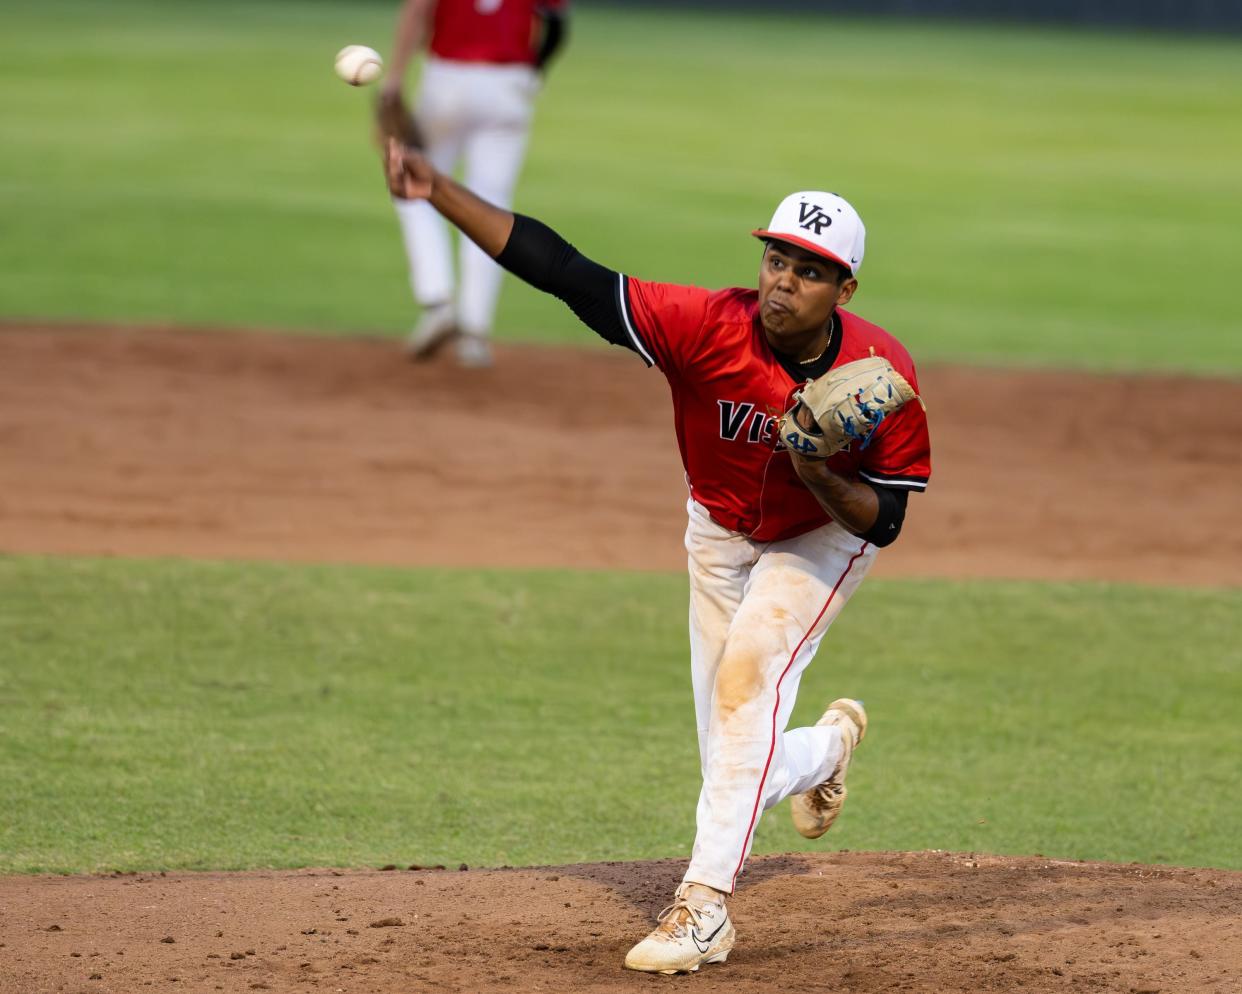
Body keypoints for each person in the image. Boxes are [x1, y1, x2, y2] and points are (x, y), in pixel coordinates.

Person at [383, 139, 932, 973]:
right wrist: (439, 192)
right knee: (730, 758)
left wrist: (817, 467)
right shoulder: (703, 325)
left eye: (810, 270)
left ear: (844, 289)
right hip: (717, 531)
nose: (785, 280)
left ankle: (704, 909)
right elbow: (567, 272)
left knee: (747, 680)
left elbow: (884, 520)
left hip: (822, 538)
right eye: (777, 259)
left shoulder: (879, 372)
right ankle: (825, 750)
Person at [379, 0, 569, 368]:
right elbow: (557, 25)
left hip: (448, 78)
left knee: (413, 189)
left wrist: (395, 79)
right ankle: (475, 332)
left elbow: (418, 11)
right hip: (509, 85)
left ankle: (437, 301)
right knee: (491, 207)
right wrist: (535, 71)